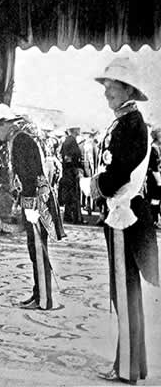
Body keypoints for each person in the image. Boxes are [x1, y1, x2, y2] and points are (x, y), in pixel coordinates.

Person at [90, 57, 159, 385]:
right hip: (121, 211)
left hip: (123, 214)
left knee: (125, 293)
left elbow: (118, 172)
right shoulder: (125, 121)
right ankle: (135, 364)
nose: (106, 94)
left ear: (127, 90)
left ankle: (128, 368)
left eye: (111, 88)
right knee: (126, 293)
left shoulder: (131, 124)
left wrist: (96, 185)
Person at [0, 103, 65, 310]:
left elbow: (29, 177)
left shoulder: (21, 140)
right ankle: (38, 293)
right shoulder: (18, 139)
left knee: (38, 249)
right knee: (34, 248)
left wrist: (28, 206)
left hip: (36, 202)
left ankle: (44, 299)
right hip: (33, 200)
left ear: (3, 124)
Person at [59, 126, 85, 224]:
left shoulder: (69, 140)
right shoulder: (70, 141)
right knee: (73, 194)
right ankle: (76, 217)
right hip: (70, 172)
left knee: (70, 195)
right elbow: (67, 158)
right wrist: (75, 169)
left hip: (68, 171)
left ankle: (69, 216)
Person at [146, 127, 161, 227]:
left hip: (155, 177)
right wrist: (159, 182)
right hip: (155, 178)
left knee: (156, 199)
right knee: (155, 199)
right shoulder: (154, 149)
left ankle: (155, 219)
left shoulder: (155, 148)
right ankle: (154, 220)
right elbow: (154, 167)